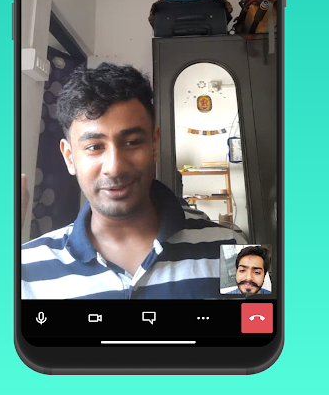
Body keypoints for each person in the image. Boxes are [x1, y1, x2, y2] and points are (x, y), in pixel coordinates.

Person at [22, 62, 246, 299]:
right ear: (69, 157)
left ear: (154, 144)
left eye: (131, 143)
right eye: (94, 147)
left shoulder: (234, 248)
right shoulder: (24, 268)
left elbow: (264, 321)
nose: (115, 167)